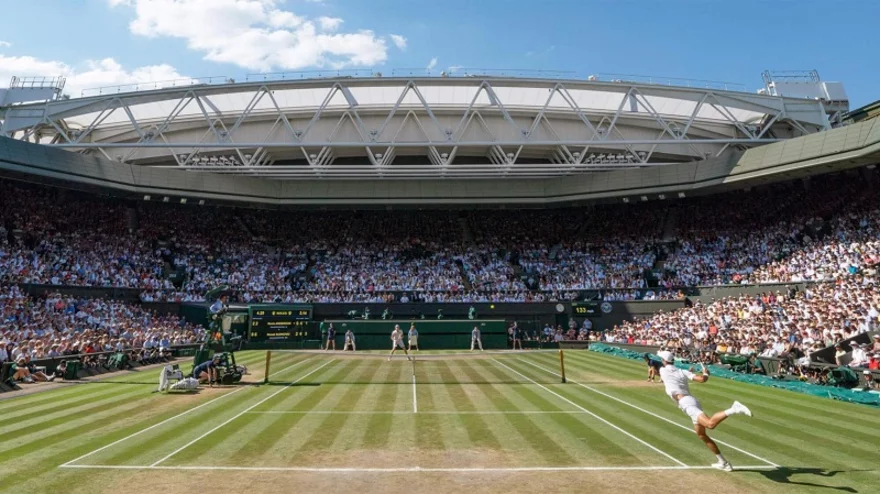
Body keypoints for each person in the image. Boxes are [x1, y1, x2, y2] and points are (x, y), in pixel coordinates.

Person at [656, 350, 752, 472]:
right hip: (691, 401)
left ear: (664, 361)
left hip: (686, 404)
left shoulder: (663, 370)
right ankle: (723, 462)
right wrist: (705, 374)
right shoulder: (682, 371)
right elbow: (702, 380)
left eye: (662, 359)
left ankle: (734, 408)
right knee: (702, 434)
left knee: (710, 424)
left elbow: (668, 375)